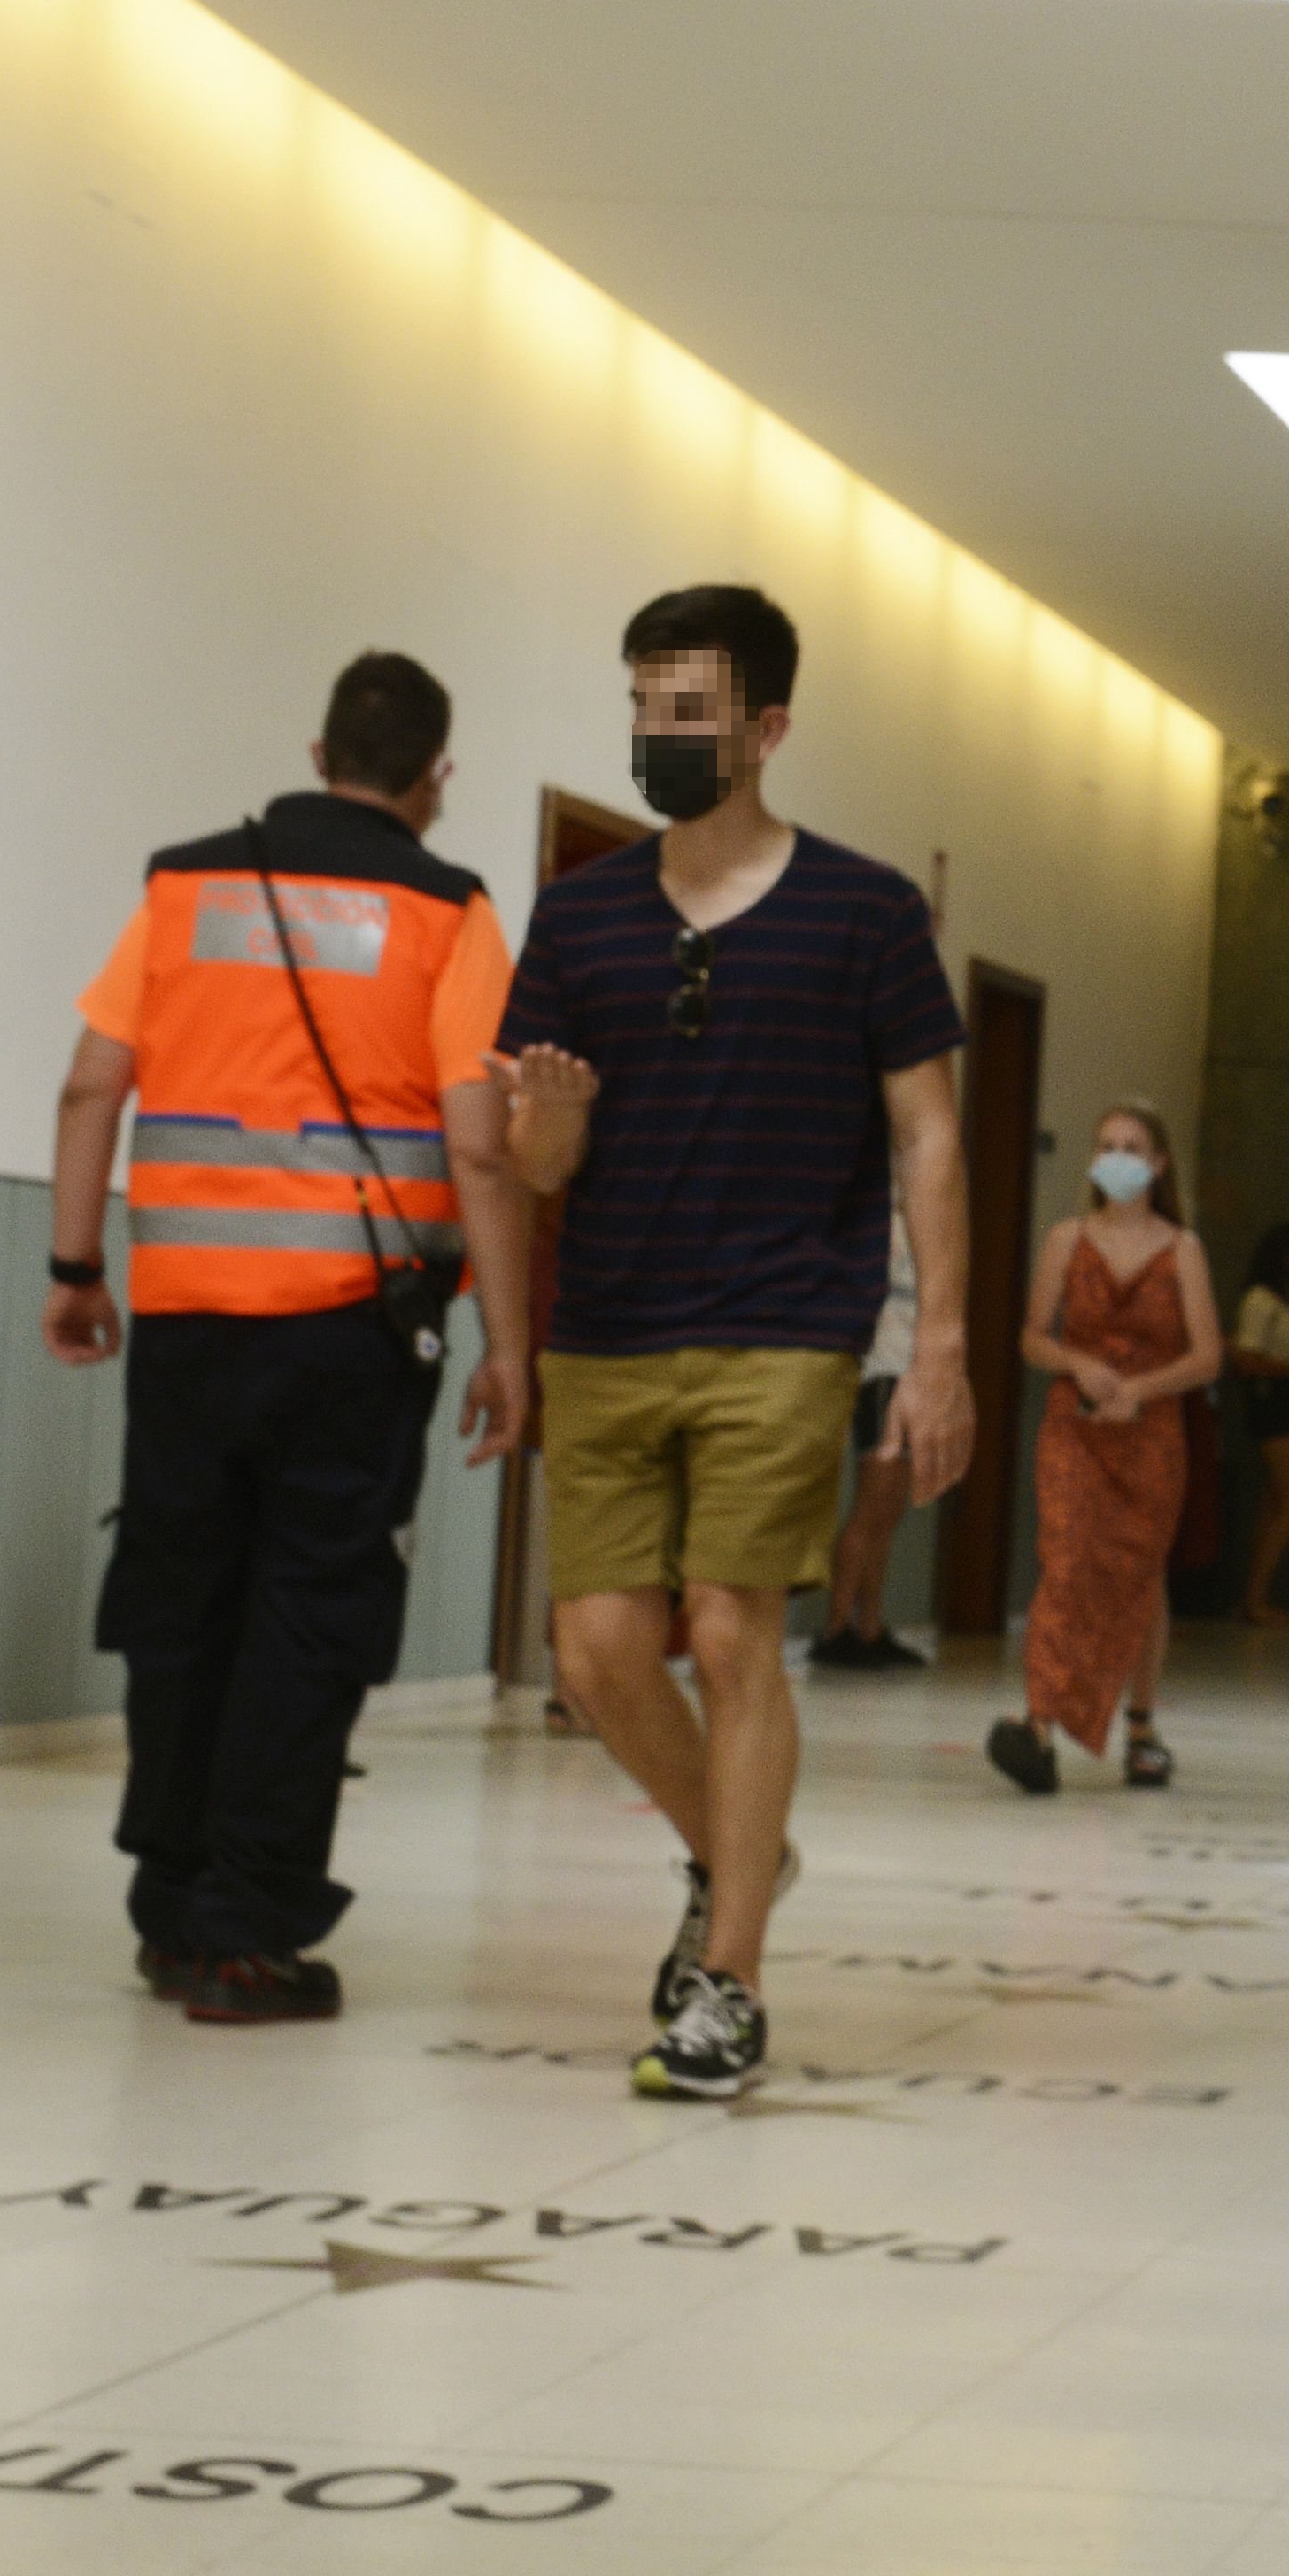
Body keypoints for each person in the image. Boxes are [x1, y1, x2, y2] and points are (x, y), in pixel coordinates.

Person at [497, 583, 969, 2102]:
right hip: (610, 1327)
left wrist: (943, 1346)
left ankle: (732, 1980)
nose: (660, 735)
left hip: (783, 1325)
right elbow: (538, 1166)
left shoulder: (866, 910)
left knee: (727, 1629)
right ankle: (737, 1851)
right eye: (644, 706)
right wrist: (546, 1125)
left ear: (765, 727)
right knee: (597, 1654)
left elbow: (929, 1134)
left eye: (690, 711)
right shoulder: (576, 917)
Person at [39, 655, 525, 2025]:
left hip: (187, 1324)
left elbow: (93, 1081)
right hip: (352, 1336)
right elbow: (480, 1149)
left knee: (180, 1600)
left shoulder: (185, 885)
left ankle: (174, 1908)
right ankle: (249, 1923)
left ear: (317, 750)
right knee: (311, 1615)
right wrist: (508, 1340)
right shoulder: (448, 909)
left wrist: (77, 1265)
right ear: (435, 775)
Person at [991, 1100, 1219, 1794]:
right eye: (1106, 1143)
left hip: (1150, 1432)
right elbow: (1032, 1335)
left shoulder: (1182, 1250)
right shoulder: (1066, 1238)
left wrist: (1142, 1388)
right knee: (1064, 1557)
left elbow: (1207, 1354)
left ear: (1157, 1163)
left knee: (1140, 1573)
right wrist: (1076, 1364)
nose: (1116, 1155)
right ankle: (1038, 1722)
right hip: (1076, 1423)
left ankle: (1141, 1726)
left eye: (1131, 1145)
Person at [808, 1218, 926, 1673]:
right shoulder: (883, 1219)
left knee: (891, 1508)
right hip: (882, 1368)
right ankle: (836, 1630)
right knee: (871, 1504)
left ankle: (870, 1628)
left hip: (915, 1372)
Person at [1223, 1221, 1289, 1628]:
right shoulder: (1260, 1300)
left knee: (1273, 1504)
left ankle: (1255, 1597)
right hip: (1273, 1403)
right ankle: (1255, 1598)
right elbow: (1248, 1361)